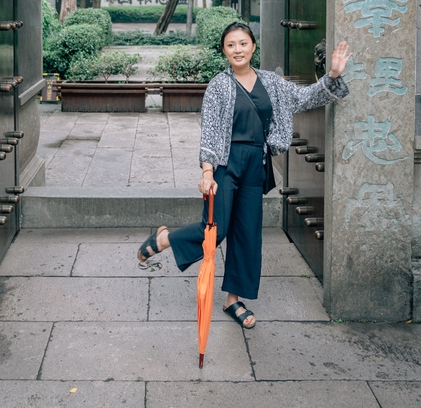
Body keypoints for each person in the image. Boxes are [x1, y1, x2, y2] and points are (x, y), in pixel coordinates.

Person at [137, 22, 351, 329]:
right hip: (225, 164)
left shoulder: (271, 83)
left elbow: (303, 99)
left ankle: (233, 300)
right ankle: (165, 238)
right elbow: (210, 131)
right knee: (216, 229)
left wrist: (331, 75)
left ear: (253, 47)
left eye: (243, 43)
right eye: (231, 45)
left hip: (255, 163)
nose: (238, 50)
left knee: (248, 234)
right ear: (224, 51)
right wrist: (208, 171)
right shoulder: (219, 85)